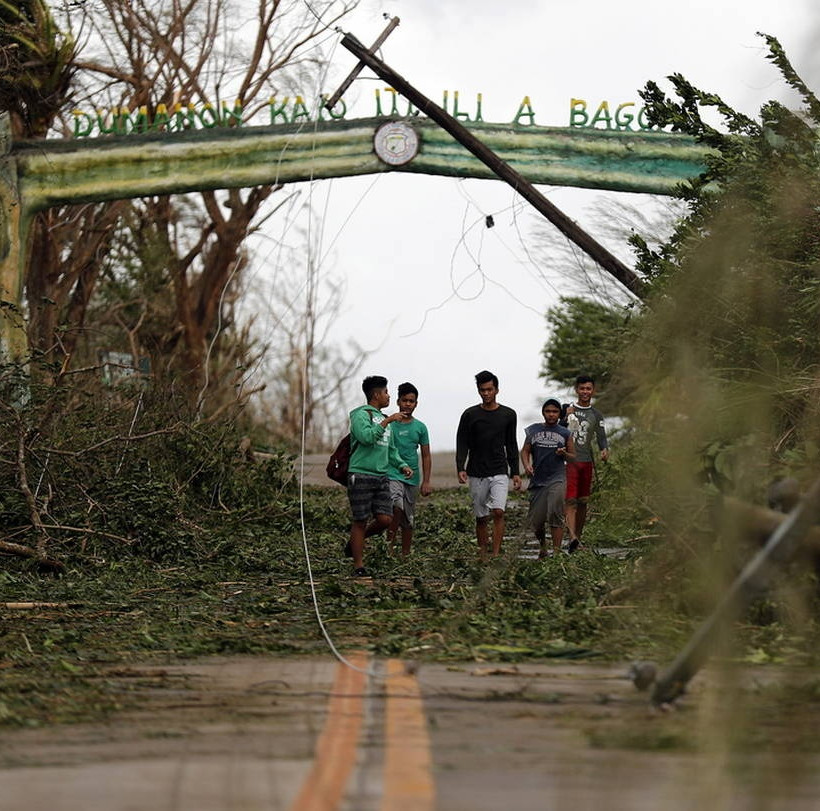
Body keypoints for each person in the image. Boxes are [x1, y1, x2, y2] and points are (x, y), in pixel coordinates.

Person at [346, 375, 413, 577]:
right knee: (360, 520)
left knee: (385, 519)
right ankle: (358, 566)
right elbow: (366, 438)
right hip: (361, 474)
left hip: (382, 476)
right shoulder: (360, 415)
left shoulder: (385, 421)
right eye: (385, 392)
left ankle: (355, 541)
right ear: (376, 395)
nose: (388, 396)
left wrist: (402, 465)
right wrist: (387, 421)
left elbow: (390, 450)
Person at [456, 370, 522, 560]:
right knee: (481, 517)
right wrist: (460, 467)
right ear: (478, 390)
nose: (486, 393)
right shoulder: (470, 414)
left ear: (496, 390)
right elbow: (462, 441)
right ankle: (483, 553)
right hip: (476, 471)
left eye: (489, 389)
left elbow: (511, 444)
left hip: (499, 469)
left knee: (499, 511)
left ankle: (495, 553)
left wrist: (515, 472)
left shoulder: (508, 414)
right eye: (482, 390)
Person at [521, 398, 575, 558]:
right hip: (538, 480)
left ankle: (556, 553)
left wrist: (564, 453)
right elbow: (525, 450)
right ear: (543, 413)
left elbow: (573, 456)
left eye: (555, 412)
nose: (551, 414)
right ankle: (543, 548)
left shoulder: (565, 433)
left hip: (557, 478)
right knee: (536, 520)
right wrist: (527, 465)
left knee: (555, 514)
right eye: (548, 411)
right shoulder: (533, 430)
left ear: (559, 414)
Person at [562, 374, 608, 550]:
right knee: (570, 500)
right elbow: (558, 428)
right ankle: (571, 536)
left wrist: (604, 449)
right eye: (582, 388)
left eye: (588, 388)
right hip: (570, 462)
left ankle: (577, 539)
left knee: (582, 501)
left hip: (586, 462)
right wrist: (565, 417)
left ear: (593, 390)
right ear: (576, 390)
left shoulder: (596, 414)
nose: (585, 392)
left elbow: (601, 436)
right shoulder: (568, 409)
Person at [386, 382, 433, 556]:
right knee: (396, 507)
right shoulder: (390, 424)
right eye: (404, 400)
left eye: (411, 401)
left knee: (408, 518)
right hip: (392, 474)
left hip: (412, 478)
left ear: (416, 403)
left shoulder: (420, 427)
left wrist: (426, 481)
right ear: (398, 401)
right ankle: (388, 548)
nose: (407, 404)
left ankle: (405, 554)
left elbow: (426, 455)